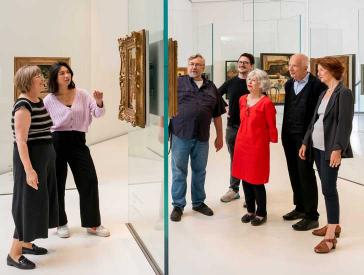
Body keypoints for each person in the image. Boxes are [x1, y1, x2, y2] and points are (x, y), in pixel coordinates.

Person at [43, 62, 110, 238]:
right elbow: (43, 124)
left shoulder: (82, 94)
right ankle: (60, 223)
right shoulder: (49, 100)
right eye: (62, 73)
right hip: (56, 142)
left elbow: (98, 113)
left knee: (89, 180)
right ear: (55, 78)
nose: (66, 75)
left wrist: (99, 102)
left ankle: (93, 224)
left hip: (78, 141)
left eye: (68, 72)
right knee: (58, 183)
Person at [299, 56, 354, 253]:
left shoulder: (344, 93)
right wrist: (306, 142)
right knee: (326, 188)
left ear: (332, 70)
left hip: (331, 149)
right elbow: (315, 120)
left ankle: (331, 237)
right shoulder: (324, 93)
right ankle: (334, 224)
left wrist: (337, 149)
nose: (318, 72)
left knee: (329, 189)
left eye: (321, 69)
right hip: (317, 148)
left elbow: (344, 125)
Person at [7, 65, 59, 270]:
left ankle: (26, 244)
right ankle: (14, 253)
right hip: (31, 160)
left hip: (43, 159)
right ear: (27, 81)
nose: (42, 79)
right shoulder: (23, 106)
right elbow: (21, 142)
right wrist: (29, 170)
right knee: (26, 205)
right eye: (37, 76)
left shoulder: (37, 101)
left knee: (37, 203)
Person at [169, 54, 225, 222]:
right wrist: (162, 131)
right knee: (179, 171)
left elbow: (217, 115)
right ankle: (178, 205)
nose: (194, 67)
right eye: (191, 64)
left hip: (202, 137)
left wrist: (219, 136)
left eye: (198, 65)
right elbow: (166, 109)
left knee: (200, 171)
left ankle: (198, 203)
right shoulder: (177, 83)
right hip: (181, 135)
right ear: (187, 66)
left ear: (203, 68)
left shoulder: (211, 87)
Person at [282, 54, 327, 231]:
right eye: (290, 65)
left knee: (305, 173)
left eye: (295, 66)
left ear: (305, 67)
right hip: (288, 136)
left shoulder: (317, 86)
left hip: (305, 138)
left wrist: (308, 140)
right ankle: (300, 207)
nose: (291, 69)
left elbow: (318, 116)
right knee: (294, 172)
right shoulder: (288, 84)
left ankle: (311, 215)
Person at [232, 69, 278, 226]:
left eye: (254, 79)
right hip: (241, 143)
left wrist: (273, 138)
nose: (249, 81)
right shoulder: (242, 99)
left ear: (262, 83)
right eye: (249, 79)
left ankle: (261, 212)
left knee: (257, 180)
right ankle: (250, 210)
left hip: (257, 146)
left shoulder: (266, 103)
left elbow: (271, 125)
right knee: (244, 178)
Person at [219, 53, 254, 203]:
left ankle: (251, 194)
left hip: (250, 128)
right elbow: (215, 95)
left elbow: (263, 101)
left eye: (246, 62)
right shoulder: (231, 82)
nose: (242, 64)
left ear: (251, 66)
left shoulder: (254, 83)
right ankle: (234, 190)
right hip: (232, 128)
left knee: (250, 159)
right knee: (235, 159)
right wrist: (224, 107)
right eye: (240, 62)